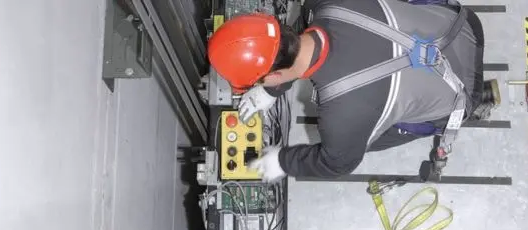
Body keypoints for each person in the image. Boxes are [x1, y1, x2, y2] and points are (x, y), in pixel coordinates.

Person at [207, 0, 496, 182]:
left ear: (273, 75)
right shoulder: (320, 5)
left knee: (359, 139)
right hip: (465, 26)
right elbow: (294, 45)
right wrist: (272, 90)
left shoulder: (341, 117)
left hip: (461, 95)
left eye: (260, 82)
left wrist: (283, 161)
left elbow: (336, 164)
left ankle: (479, 102)